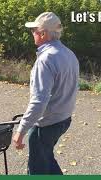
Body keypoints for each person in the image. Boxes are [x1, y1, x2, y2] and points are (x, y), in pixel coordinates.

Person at [12, 12, 79, 175]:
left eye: (34, 30)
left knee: (37, 169)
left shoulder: (46, 59)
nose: (32, 33)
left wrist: (21, 131)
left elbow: (39, 101)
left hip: (47, 124)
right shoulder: (69, 54)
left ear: (43, 34)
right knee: (46, 157)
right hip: (63, 119)